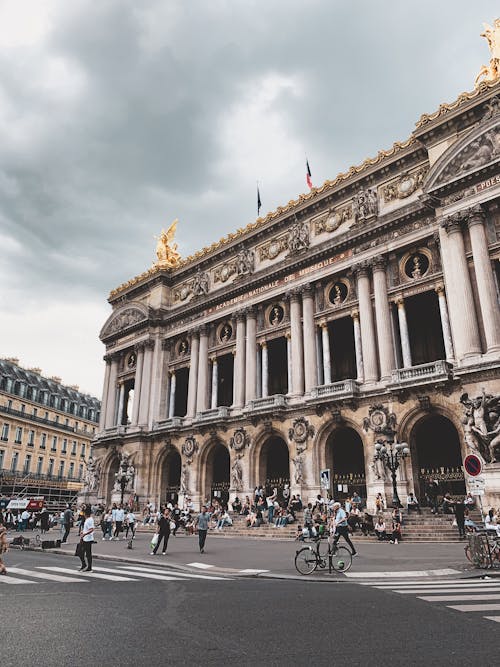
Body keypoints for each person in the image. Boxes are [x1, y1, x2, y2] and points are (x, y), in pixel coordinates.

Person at [79, 507, 95, 572]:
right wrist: (83, 532)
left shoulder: (89, 520)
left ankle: (87, 566)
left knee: (85, 553)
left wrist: (84, 534)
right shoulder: (88, 519)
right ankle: (85, 565)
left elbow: (91, 529)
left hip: (88, 539)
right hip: (85, 538)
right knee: (81, 552)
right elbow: (87, 528)